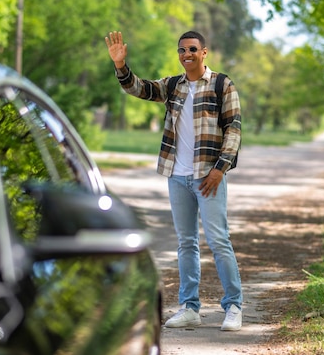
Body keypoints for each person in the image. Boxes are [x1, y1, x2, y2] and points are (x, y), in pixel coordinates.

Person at [104, 30, 243, 331]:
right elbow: (139, 88)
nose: (186, 54)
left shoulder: (222, 84)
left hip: (209, 177)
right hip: (177, 176)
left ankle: (233, 305)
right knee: (186, 242)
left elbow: (233, 128)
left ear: (204, 52)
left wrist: (220, 167)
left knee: (218, 240)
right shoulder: (172, 86)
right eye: (181, 50)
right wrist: (120, 66)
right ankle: (189, 307)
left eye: (192, 49)